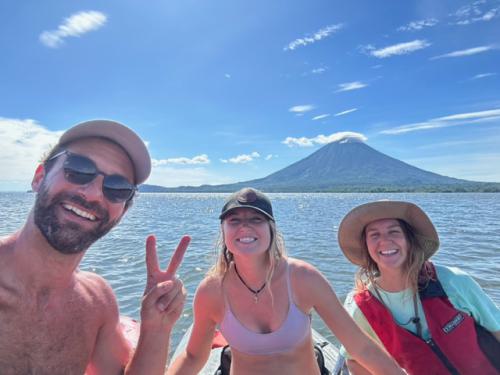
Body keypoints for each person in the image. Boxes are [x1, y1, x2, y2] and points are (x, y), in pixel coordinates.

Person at [0, 119, 190, 374]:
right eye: (78, 170)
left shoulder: (96, 303)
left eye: (117, 188)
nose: (92, 194)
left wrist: (157, 328)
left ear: (121, 213)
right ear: (39, 177)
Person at [168, 187, 405, 375]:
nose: (245, 227)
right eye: (234, 221)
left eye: (256, 219)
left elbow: (359, 346)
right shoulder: (212, 291)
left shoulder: (303, 277)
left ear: (271, 229)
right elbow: (193, 357)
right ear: (223, 230)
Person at [337, 200, 500, 375]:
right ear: (366, 247)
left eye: (394, 231)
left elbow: (496, 328)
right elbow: (355, 361)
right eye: (374, 235)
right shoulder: (361, 309)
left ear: (410, 240)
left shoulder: (453, 281)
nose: (385, 241)